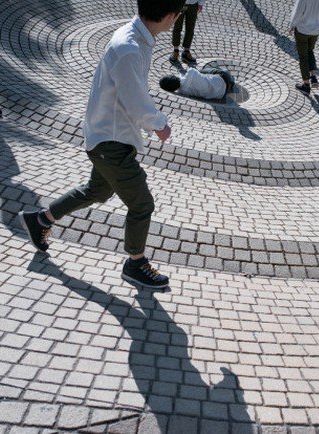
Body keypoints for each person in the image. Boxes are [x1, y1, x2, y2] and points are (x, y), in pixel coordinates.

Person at [18, 0, 186, 290]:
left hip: (108, 134)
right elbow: (136, 101)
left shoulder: (136, 37)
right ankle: (135, 264)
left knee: (97, 190)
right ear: (171, 16)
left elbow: (130, 92)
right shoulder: (130, 48)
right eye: (178, 15)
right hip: (110, 141)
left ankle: (40, 220)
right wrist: (159, 124)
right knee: (142, 203)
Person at [288, 0, 319, 96]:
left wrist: (292, 24)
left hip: (302, 30)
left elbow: (298, 11)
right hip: (315, 31)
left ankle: (306, 85)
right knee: (310, 51)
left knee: (303, 57)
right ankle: (313, 77)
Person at [159, 65, 235, 100]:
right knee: (203, 71)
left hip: (219, 94)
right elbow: (191, 68)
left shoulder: (182, 91)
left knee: (201, 76)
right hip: (222, 79)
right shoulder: (191, 72)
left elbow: (183, 81)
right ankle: (231, 81)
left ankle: (229, 85)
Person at [169, 0, 205, 64]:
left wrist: (201, 3)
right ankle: (175, 50)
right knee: (177, 27)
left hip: (193, 4)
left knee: (190, 28)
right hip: (180, 3)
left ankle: (186, 51)